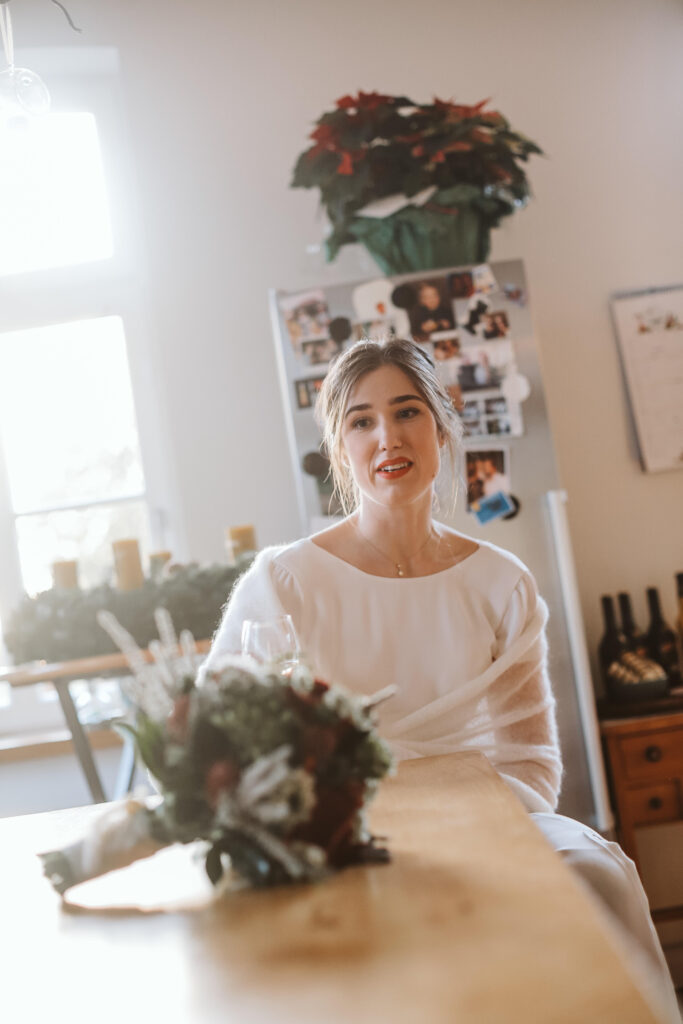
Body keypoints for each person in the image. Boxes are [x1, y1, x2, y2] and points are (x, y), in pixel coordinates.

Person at [205, 338, 678, 1021]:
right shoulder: (284, 581)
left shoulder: (501, 582)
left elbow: (532, 761)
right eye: (360, 421)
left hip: (488, 816)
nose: (387, 436)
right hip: (345, 826)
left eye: (406, 412)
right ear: (340, 450)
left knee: (596, 871)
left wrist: (467, 827)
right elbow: (222, 744)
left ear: (441, 427)